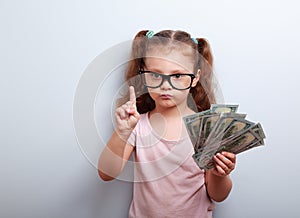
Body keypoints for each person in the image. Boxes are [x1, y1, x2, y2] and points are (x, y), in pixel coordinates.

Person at [98, 29, 236, 218]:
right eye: (155, 74)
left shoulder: (206, 130)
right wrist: (121, 133)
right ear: (143, 75)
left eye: (177, 76)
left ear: (195, 78)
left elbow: (217, 195)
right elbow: (106, 174)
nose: (165, 85)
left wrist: (220, 174)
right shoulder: (137, 125)